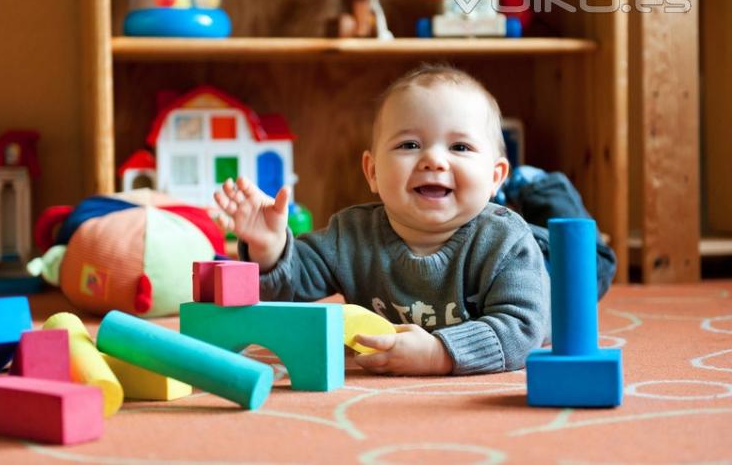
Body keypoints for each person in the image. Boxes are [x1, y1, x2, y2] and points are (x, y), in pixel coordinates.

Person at [214, 64, 609, 377]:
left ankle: (539, 187)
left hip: (547, 264)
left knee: (591, 264)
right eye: (409, 145)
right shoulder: (350, 236)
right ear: (371, 171)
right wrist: (270, 249)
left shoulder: (506, 242)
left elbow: (522, 329)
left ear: (493, 176)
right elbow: (292, 285)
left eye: (459, 146)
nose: (433, 160)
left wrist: (440, 354)